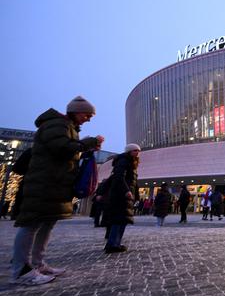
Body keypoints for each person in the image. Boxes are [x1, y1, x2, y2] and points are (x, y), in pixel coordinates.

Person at [11, 96, 103, 285]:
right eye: (87, 115)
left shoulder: (66, 127)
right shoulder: (57, 125)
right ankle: (21, 269)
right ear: (77, 112)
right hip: (44, 183)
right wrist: (89, 142)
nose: (89, 119)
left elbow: (65, 153)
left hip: (55, 184)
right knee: (31, 225)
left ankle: (37, 263)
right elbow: (62, 149)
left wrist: (84, 149)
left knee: (46, 224)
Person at [105, 144, 140, 253]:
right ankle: (112, 244)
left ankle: (116, 243)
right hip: (120, 195)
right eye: (135, 150)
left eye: (139, 150)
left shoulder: (131, 162)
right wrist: (126, 191)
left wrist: (136, 195)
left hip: (125, 195)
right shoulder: (123, 161)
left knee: (123, 220)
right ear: (129, 151)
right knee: (118, 219)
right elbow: (119, 177)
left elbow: (133, 182)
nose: (137, 152)